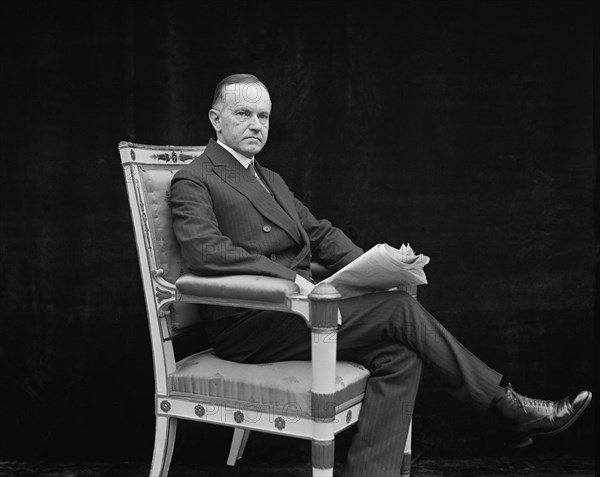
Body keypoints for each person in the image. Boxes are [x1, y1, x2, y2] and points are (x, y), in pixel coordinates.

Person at [170, 74, 591, 476]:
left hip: (297, 313)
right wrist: (286, 279)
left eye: (263, 116)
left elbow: (319, 234)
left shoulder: (270, 178)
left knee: (399, 356)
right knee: (398, 308)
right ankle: (508, 407)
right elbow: (205, 249)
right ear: (215, 119)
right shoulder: (195, 178)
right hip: (249, 322)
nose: (256, 125)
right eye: (243, 114)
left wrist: (374, 266)